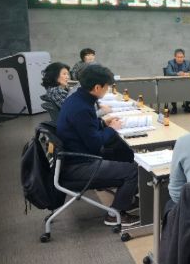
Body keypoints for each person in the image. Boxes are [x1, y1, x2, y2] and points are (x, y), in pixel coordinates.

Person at [56, 65, 140, 227]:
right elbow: (95, 143)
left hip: (75, 155)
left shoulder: (77, 99)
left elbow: (85, 128)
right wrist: (111, 129)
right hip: (79, 164)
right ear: (97, 88)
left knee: (127, 154)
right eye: (106, 87)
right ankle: (114, 214)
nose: (107, 90)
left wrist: (102, 123)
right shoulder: (82, 108)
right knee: (133, 170)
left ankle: (127, 198)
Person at [164, 48, 190, 114]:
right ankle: (174, 107)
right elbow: (168, 72)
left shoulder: (187, 62)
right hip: (173, 84)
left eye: (181, 57)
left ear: (184, 57)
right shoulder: (171, 63)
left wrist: (186, 73)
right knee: (173, 89)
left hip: (185, 84)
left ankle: (188, 106)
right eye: (178, 57)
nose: (180, 59)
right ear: (175, 57)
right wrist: (178, 73)